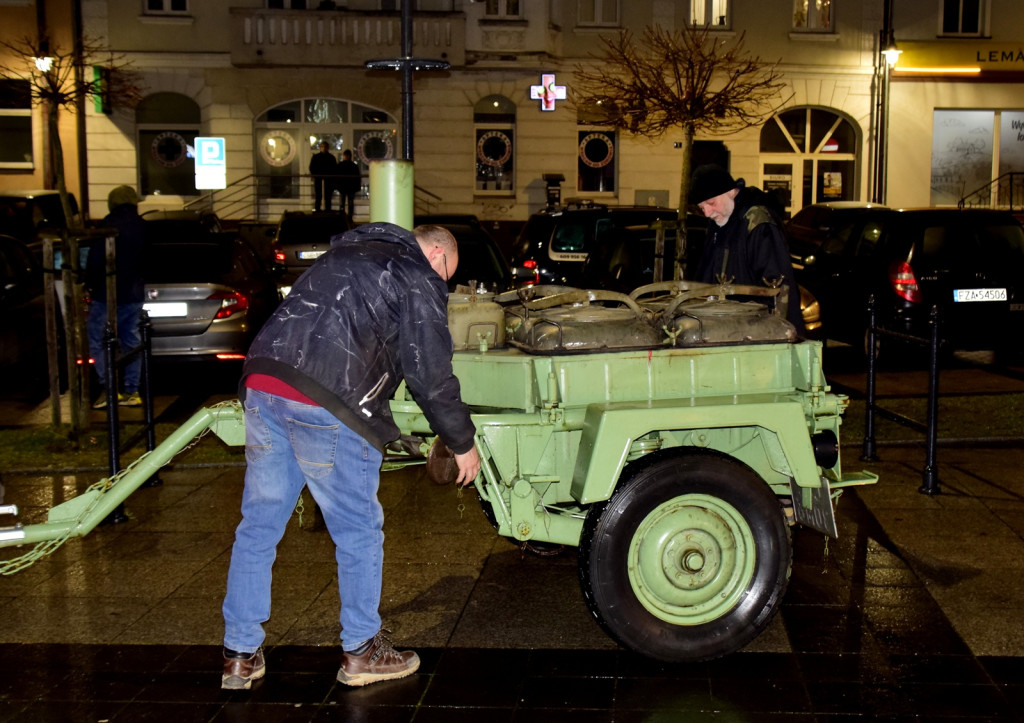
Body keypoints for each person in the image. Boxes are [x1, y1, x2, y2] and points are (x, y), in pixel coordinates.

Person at [221, 222, 481, 691]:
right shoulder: (416, 273)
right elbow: (429, 372)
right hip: (328, 402)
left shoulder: (341, 255)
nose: (442, 284)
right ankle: (362, 651)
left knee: (258, 526)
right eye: (446, 276)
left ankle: (239, 656)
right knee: (358, 530)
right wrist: (462, 442)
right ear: (438, 255)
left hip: (264, 383)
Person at [688, 164, 805, 333]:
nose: (707, 213)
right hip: (728, 329)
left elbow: (779, 288)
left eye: (711, 203)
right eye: (701, 208)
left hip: (757, 332)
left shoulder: (758, 224)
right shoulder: (719, 225)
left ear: (731, 191)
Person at [86, 185, 146, 408]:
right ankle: (132, 390)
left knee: (99, 339)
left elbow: (95, 260)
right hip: (133, 292)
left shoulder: (108, 226)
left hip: (107, 293)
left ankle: (110, 389)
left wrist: (90, 284)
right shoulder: (142, 226)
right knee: (132, 341)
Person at [309, 141, 337, 212]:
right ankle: (319, 210)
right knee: (319, 196)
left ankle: (326, 210)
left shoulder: (329, 157)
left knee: (327, 196)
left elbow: (334, 169)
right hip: (321, 179)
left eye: (325, 147)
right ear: (320, 148)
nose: (323, 148)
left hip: (327, 179)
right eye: (322, 146)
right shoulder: (330, 157)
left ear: (327, 148)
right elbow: (312, 167)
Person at [335, 148, 361, 219]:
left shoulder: (341, 165)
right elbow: (357, 177)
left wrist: (337, 186)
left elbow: (337, 176)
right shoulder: (353, 166)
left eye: (347, 155)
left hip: (345, 186)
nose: (347, 157)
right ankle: (348, 216)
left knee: (345, 202)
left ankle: (344, 215)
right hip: (349, 187)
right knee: (347, 202)